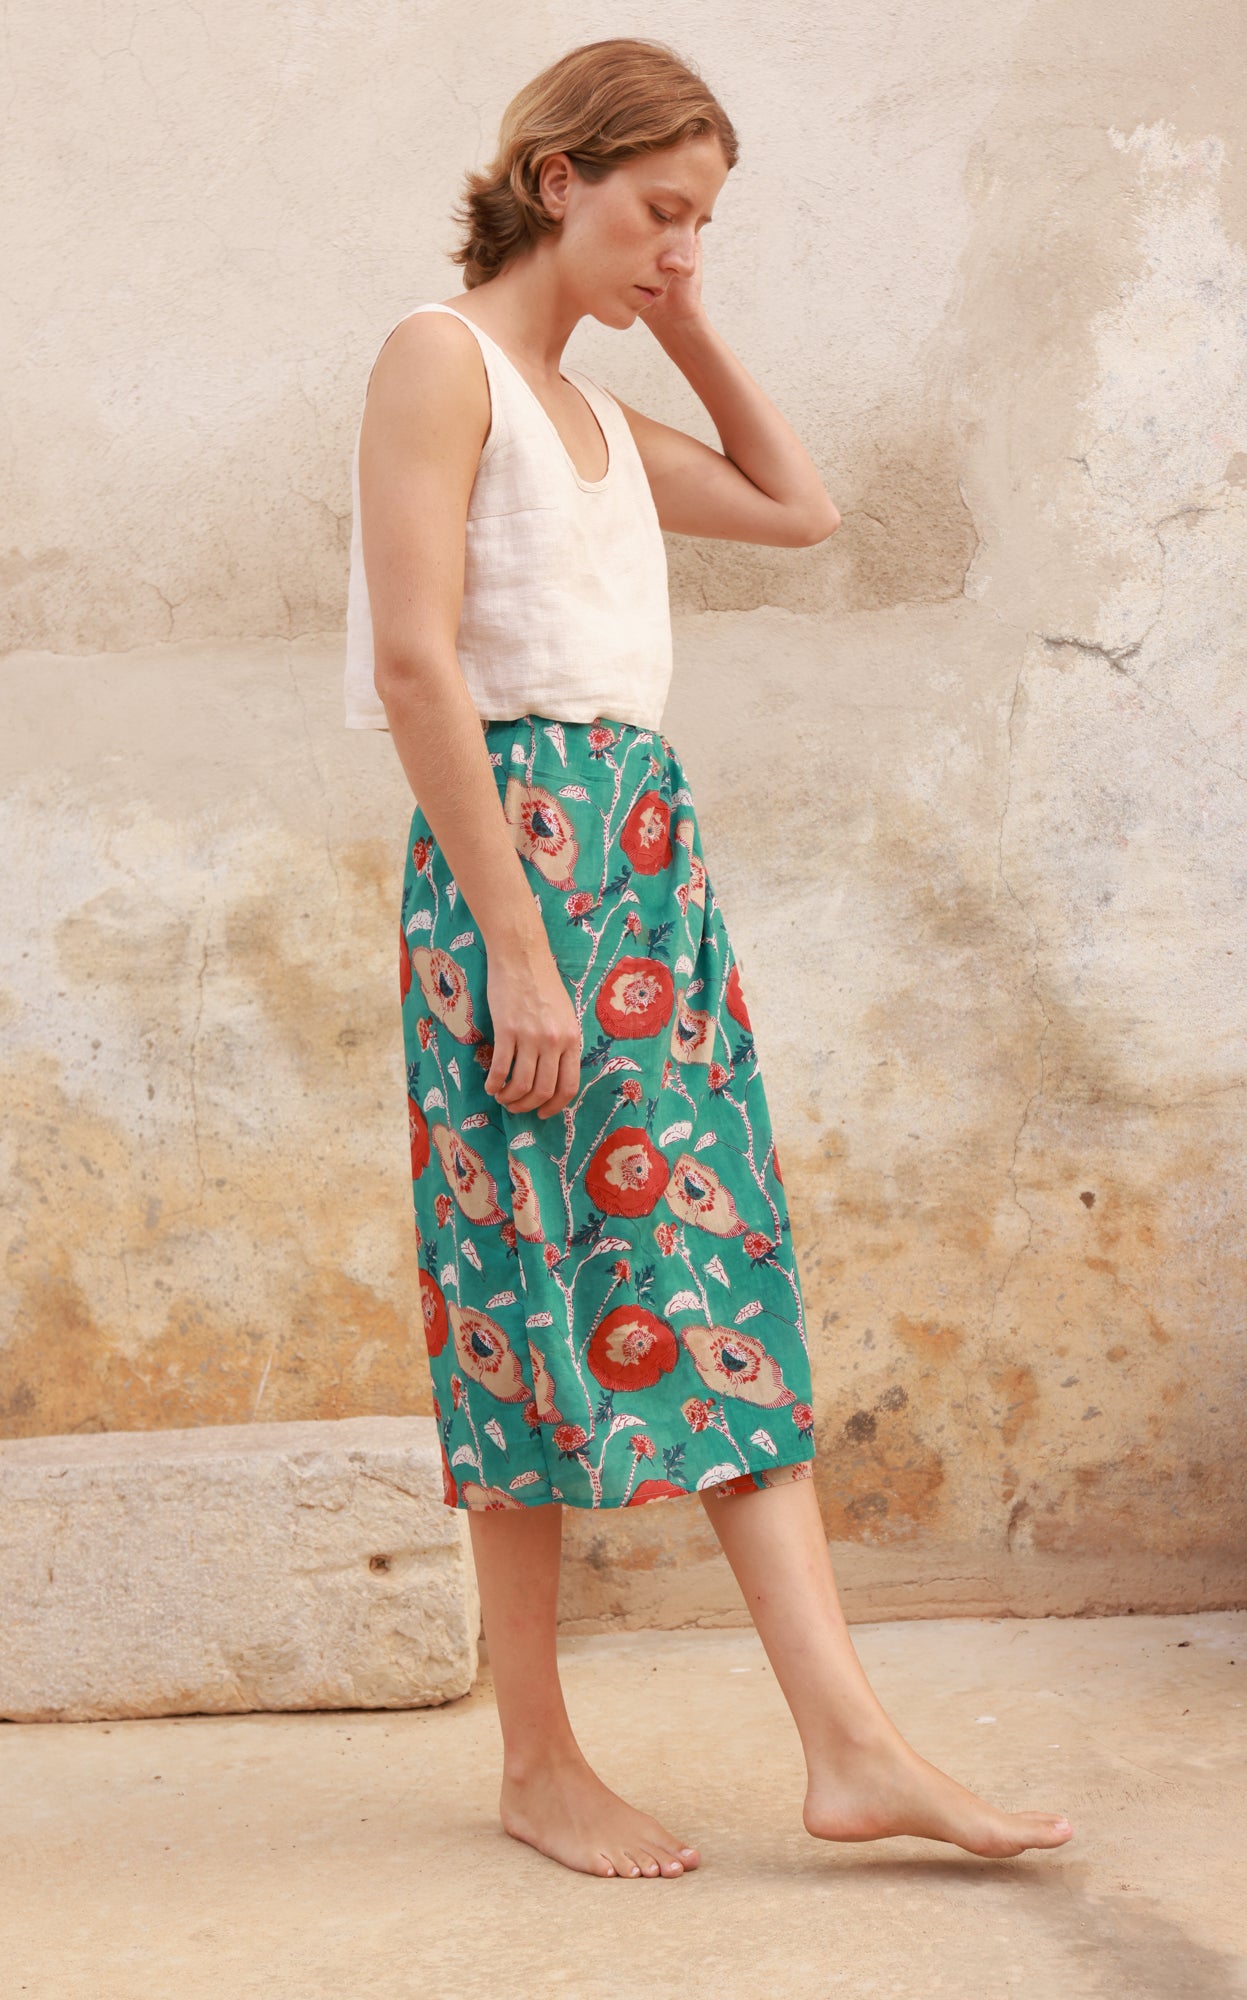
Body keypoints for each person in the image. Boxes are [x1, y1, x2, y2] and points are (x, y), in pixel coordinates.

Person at [345, 36, 1073, 1881]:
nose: (683, 247)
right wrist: (516, 943)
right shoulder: (441, 362)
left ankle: (849, 1743)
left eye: (705, 224)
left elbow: (799, 505)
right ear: (556, 178)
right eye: (661, 211)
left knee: (719, 1262)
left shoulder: (585, 411)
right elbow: (420, 665)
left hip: (646, 867)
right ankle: (540, 1762)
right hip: (518, 864)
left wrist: (682, 321)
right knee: (517, 1285)